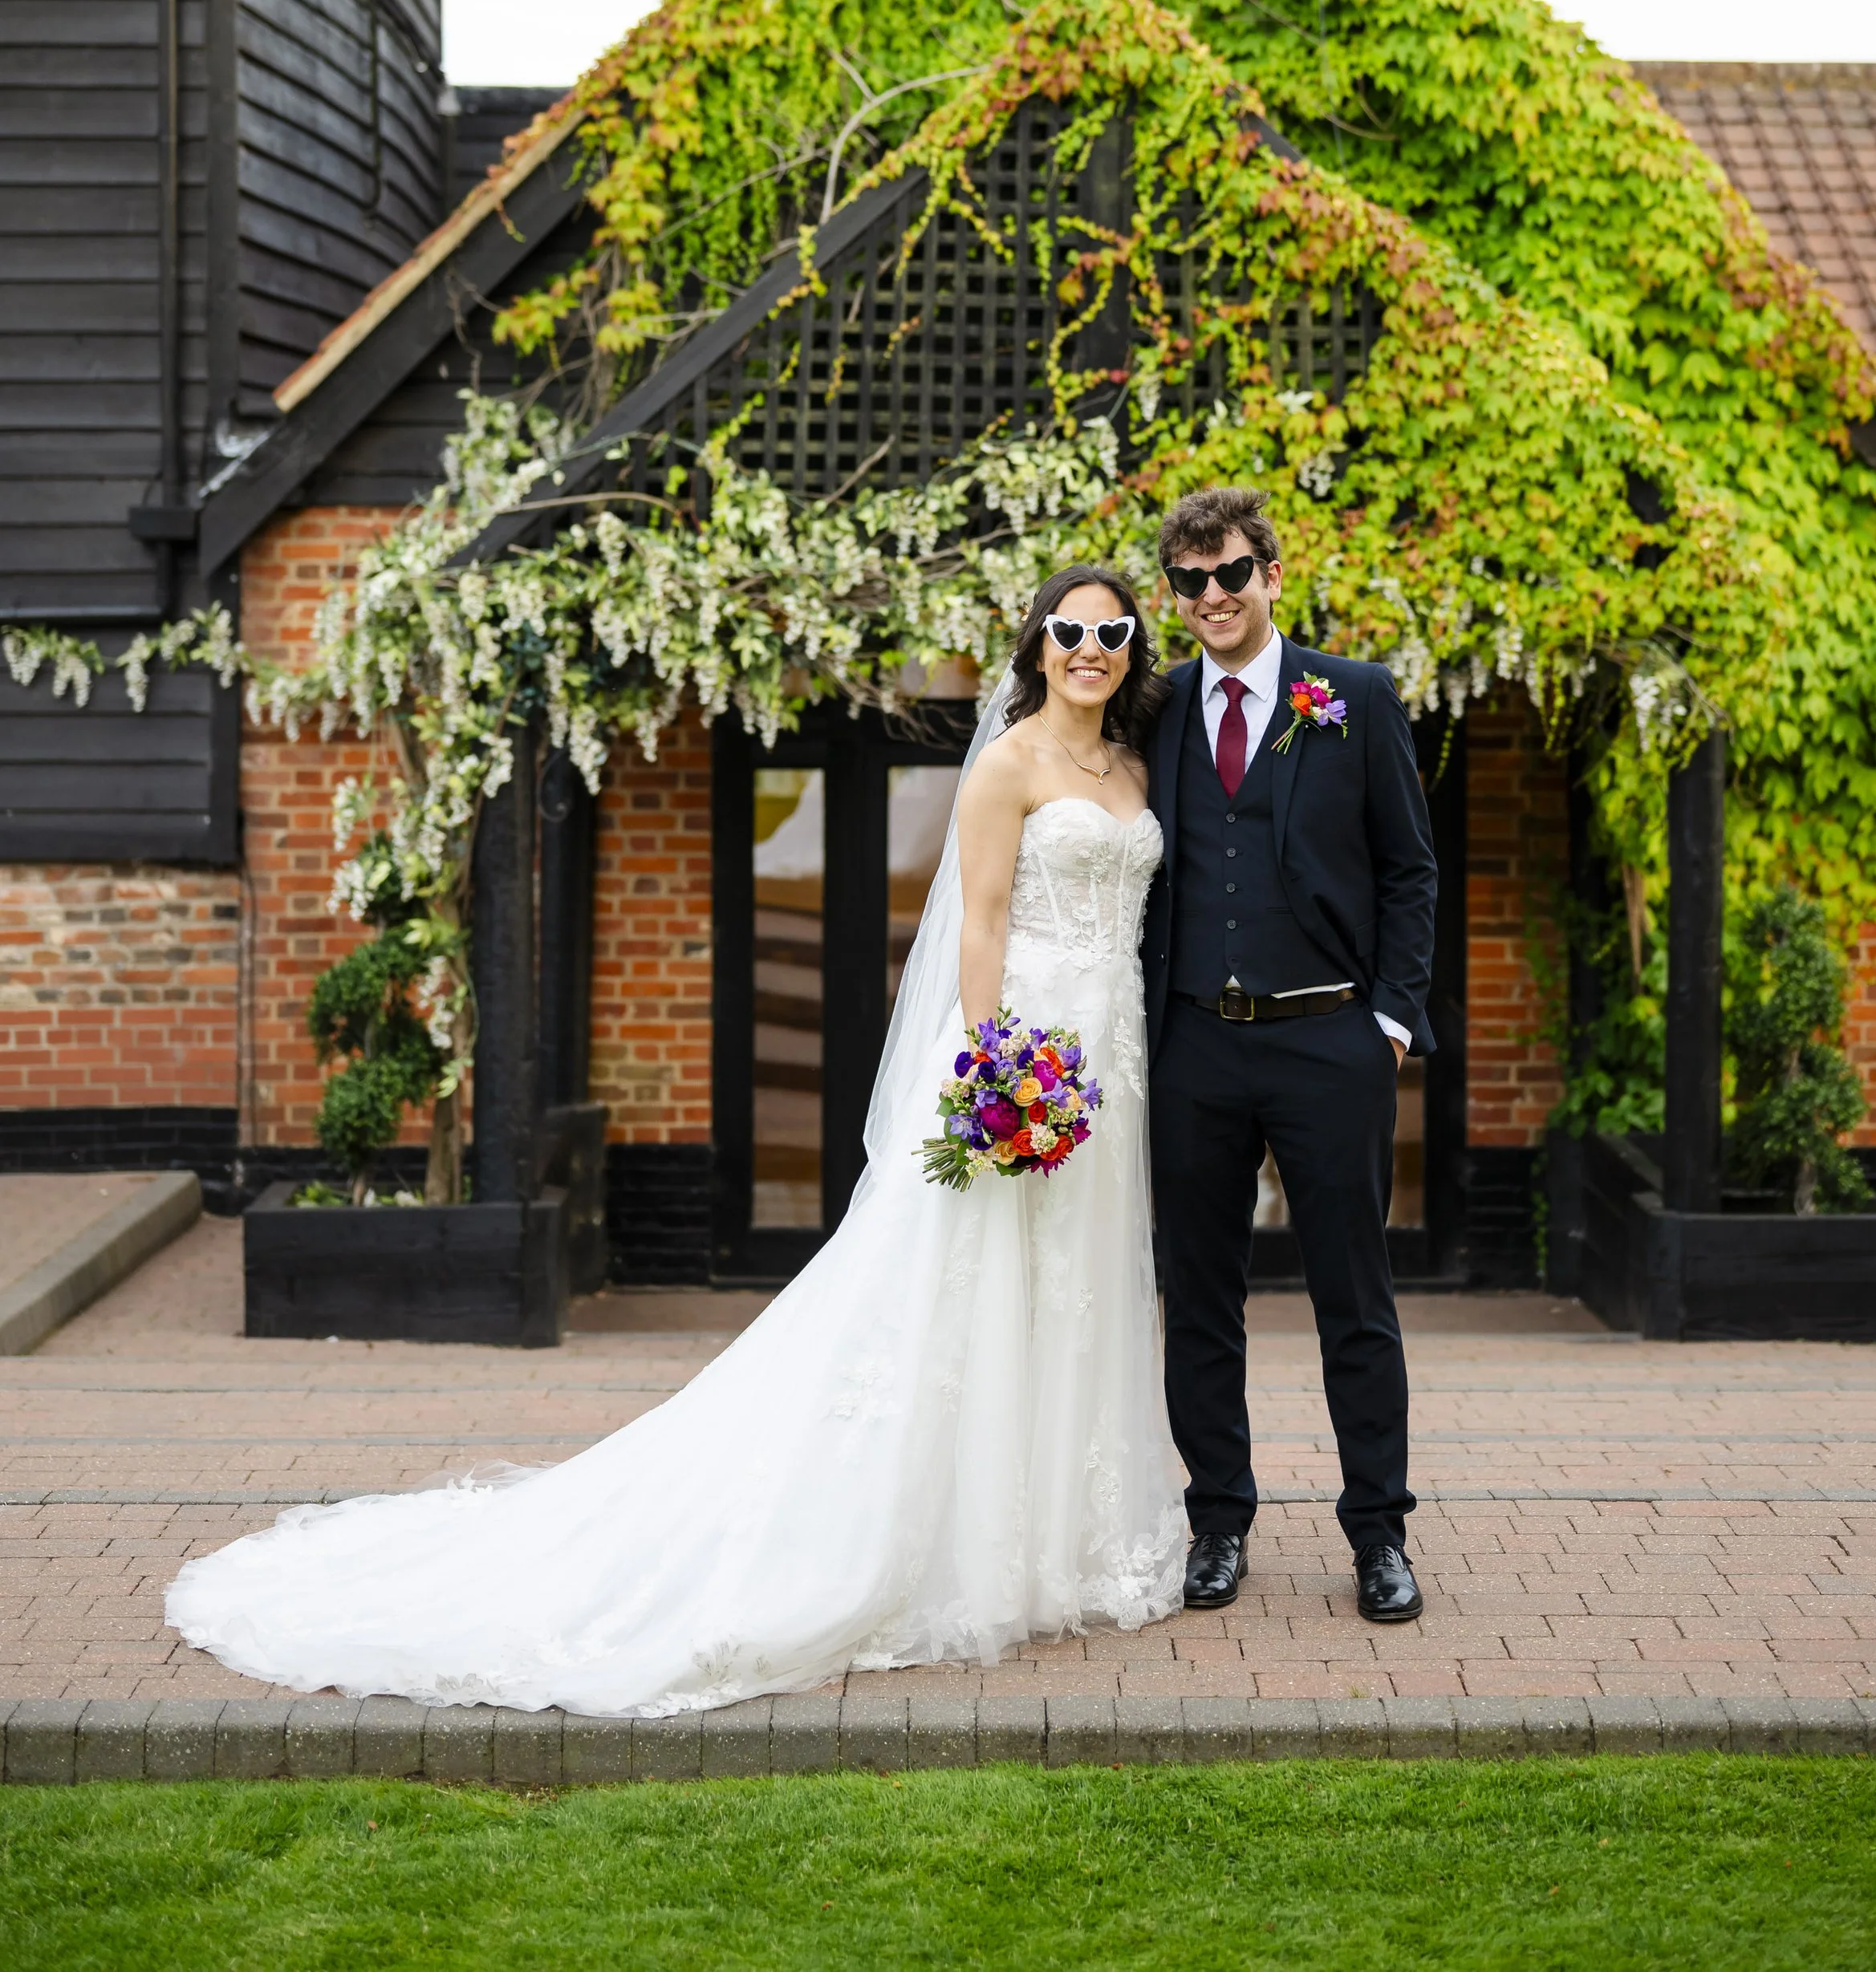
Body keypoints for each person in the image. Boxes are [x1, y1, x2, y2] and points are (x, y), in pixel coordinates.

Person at [164, 569, 1184, 1716]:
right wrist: (996, 1071)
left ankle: (1058, 1542)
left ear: (1131, 645)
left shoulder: (1137, 767)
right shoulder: (1008, 764)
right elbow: (982, 921)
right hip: (1025, 1054)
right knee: (975, 1286)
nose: (1091, 647)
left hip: (1114, 1059)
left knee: (1077, 1289)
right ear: (1038, 643)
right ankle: (936, 1543)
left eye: (1112, 631)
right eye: (1070, 630)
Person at [1141, 485, 1437, 1627]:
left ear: (1271, 571)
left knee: (1352, 1294)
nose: (1210, 597)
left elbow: (1410, 868)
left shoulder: (1351, 696)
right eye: (1189, 580)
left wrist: (1392, 1021)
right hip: (1193, 1046)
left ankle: (1380, 1534)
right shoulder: (1159, 707)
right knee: (1200, 1295)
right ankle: (1218, 1521)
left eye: (1229, 574)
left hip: (1330, 1037)